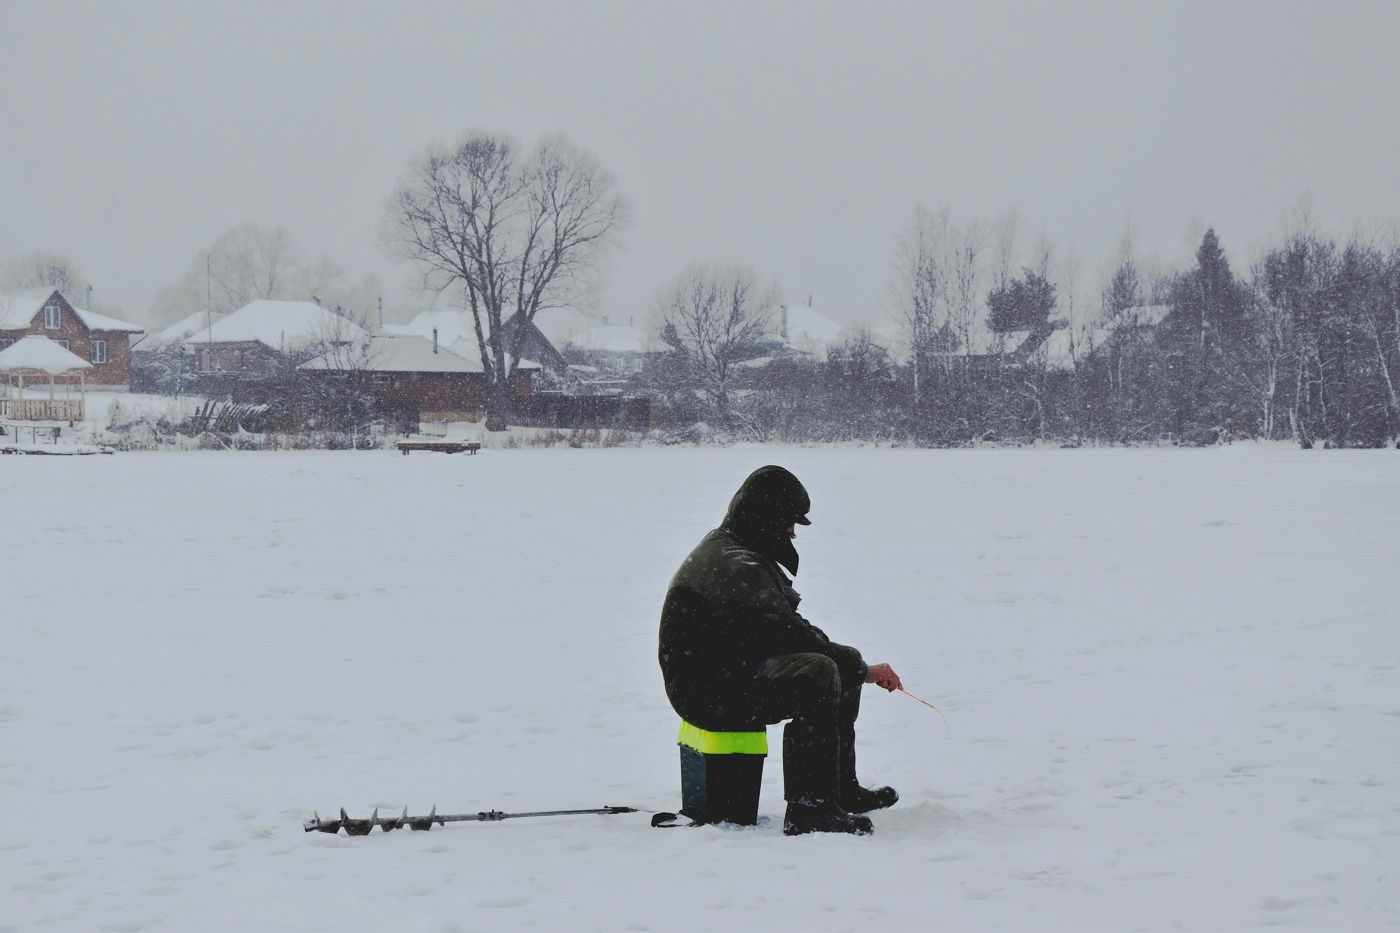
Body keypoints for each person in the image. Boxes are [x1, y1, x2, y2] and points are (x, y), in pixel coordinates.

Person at [658, 465, 903, 836]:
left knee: (836, 668)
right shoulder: (734, 564)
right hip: (704, 690)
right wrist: (862, 667)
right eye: (789, 522)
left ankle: (837, 790)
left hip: (726, 672)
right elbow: (792, 637)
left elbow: (786, 628)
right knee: (819, 672)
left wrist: (855, 666)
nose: (792, 532)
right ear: (765, 517)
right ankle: (810, 809)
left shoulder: (739, 550)